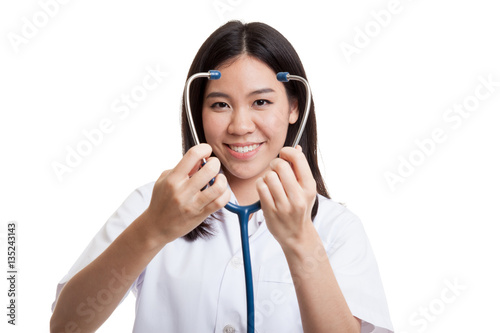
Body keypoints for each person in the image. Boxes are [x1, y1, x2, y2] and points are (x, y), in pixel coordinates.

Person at [50, 21, 393, 333]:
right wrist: (152, 229)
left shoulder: (337, 229)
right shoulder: (151, 205)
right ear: (198, 112)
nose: (241, 126)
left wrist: (301, 239)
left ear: (294, 108)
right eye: (219, 105)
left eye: (261, 102)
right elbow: (66, 326)